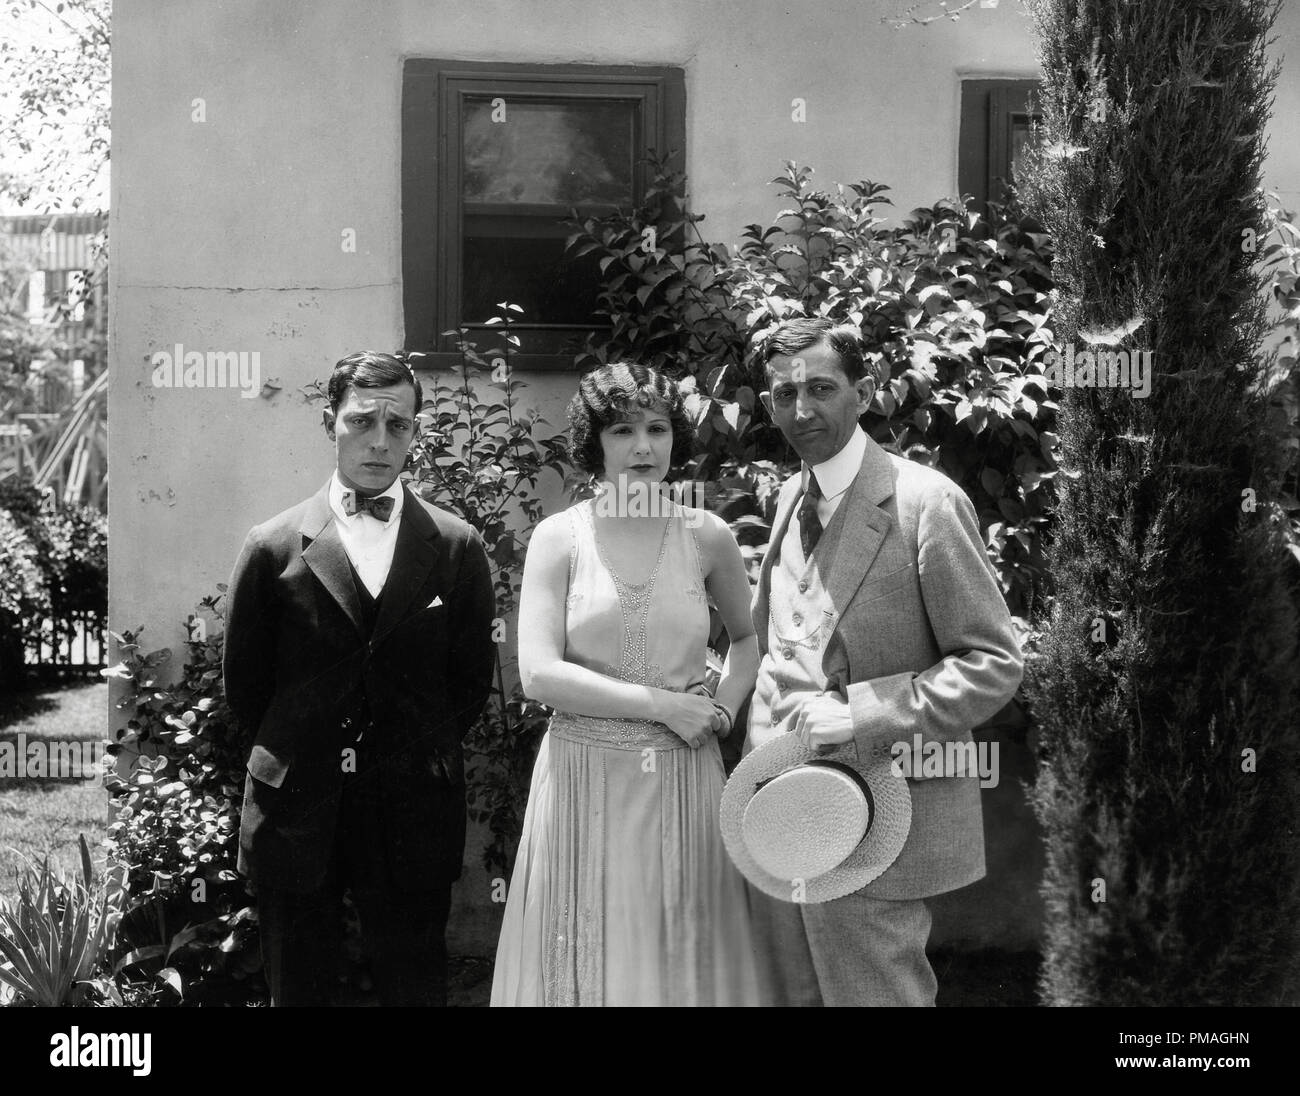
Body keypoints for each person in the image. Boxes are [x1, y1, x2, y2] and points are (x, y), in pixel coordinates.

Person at [742, 317, 1024, 1007]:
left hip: (877, 821)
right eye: (784, 395)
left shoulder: (925, 501)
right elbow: (783, 645)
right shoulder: (788, 497)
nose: (801, 409)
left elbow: (992, 662)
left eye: (821, 388)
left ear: (863, 393)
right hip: (781, 814)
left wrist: (861, 713)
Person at [223, 351, 495, 1006]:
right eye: (361, 421)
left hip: (410, 810)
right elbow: (246, 687)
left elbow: (466, 685)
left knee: (412, 984)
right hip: (299, 806)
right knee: (301, 986)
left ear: (416, 434)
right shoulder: (273, 545)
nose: (379, 441)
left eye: (397, 425)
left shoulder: (456, 547)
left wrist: (405, 752)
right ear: (330, 423)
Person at [491, 362, 761, 1007]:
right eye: (622, 430)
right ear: (595, 441)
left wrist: (721, 712)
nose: (643, 447)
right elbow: (538, 673)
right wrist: (662, 705)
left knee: (678, 947)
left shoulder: (708, 535)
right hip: (584, 774)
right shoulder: (560, 537)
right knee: (584, 948)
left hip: (683, 775)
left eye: (657, 429)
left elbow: (748, 642)